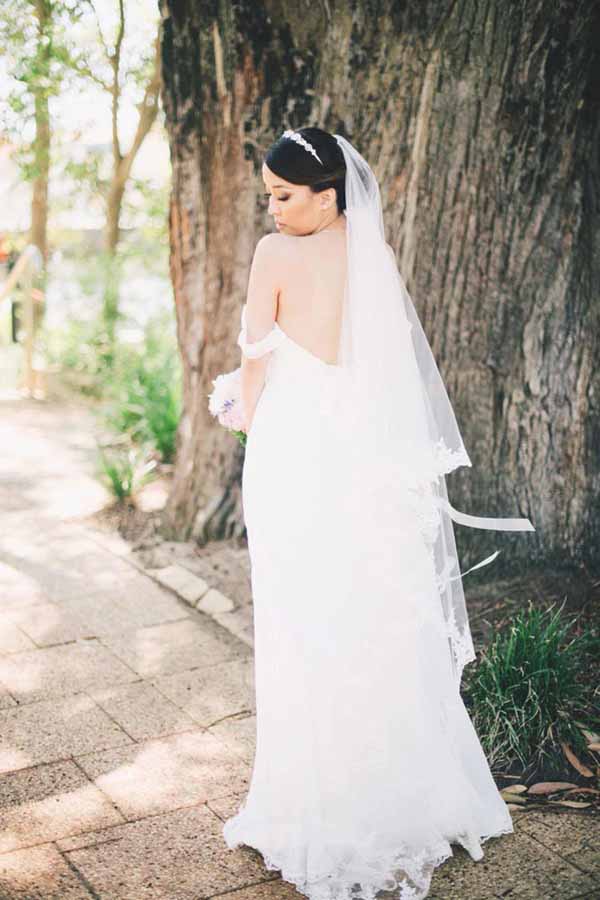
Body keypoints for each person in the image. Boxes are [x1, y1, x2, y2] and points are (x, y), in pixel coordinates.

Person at [222, 127, 535, 900]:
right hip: (359, 456)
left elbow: (257, 358)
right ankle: (404, 789)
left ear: (327, 193)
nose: (273, 208)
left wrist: (241, 415)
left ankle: (316, 806)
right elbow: (380, 364)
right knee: (368, 614)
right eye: (269, 195)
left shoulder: (274, 257)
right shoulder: (367, 249)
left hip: (295, 450)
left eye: (285, 195)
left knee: (304, 619)